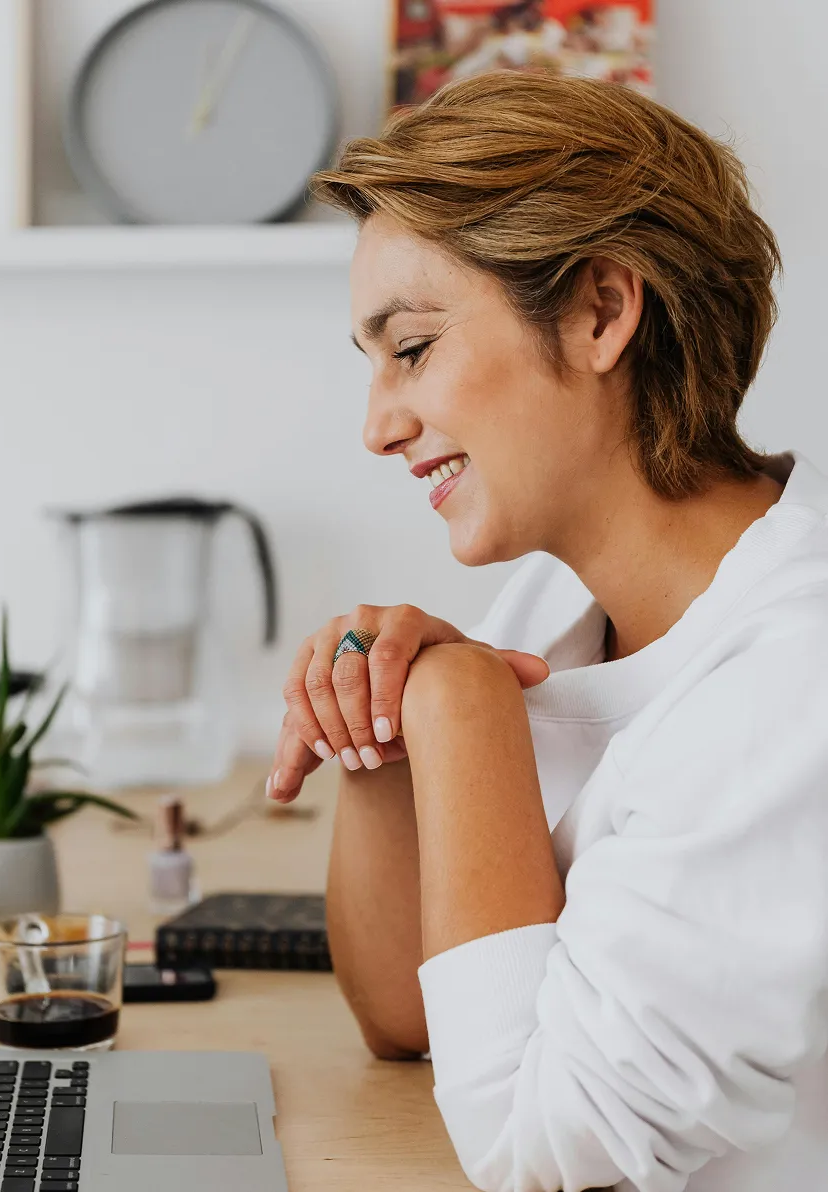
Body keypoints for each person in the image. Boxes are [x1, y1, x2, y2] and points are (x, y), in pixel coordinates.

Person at [267, 72, 828, 1192]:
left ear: (599, 312)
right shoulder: (553, 605)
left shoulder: (790, 680)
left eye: (411, 348)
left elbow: (540, 1150)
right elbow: (405, 1015)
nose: (378, 426)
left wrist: (462, 702)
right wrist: (382, 726)